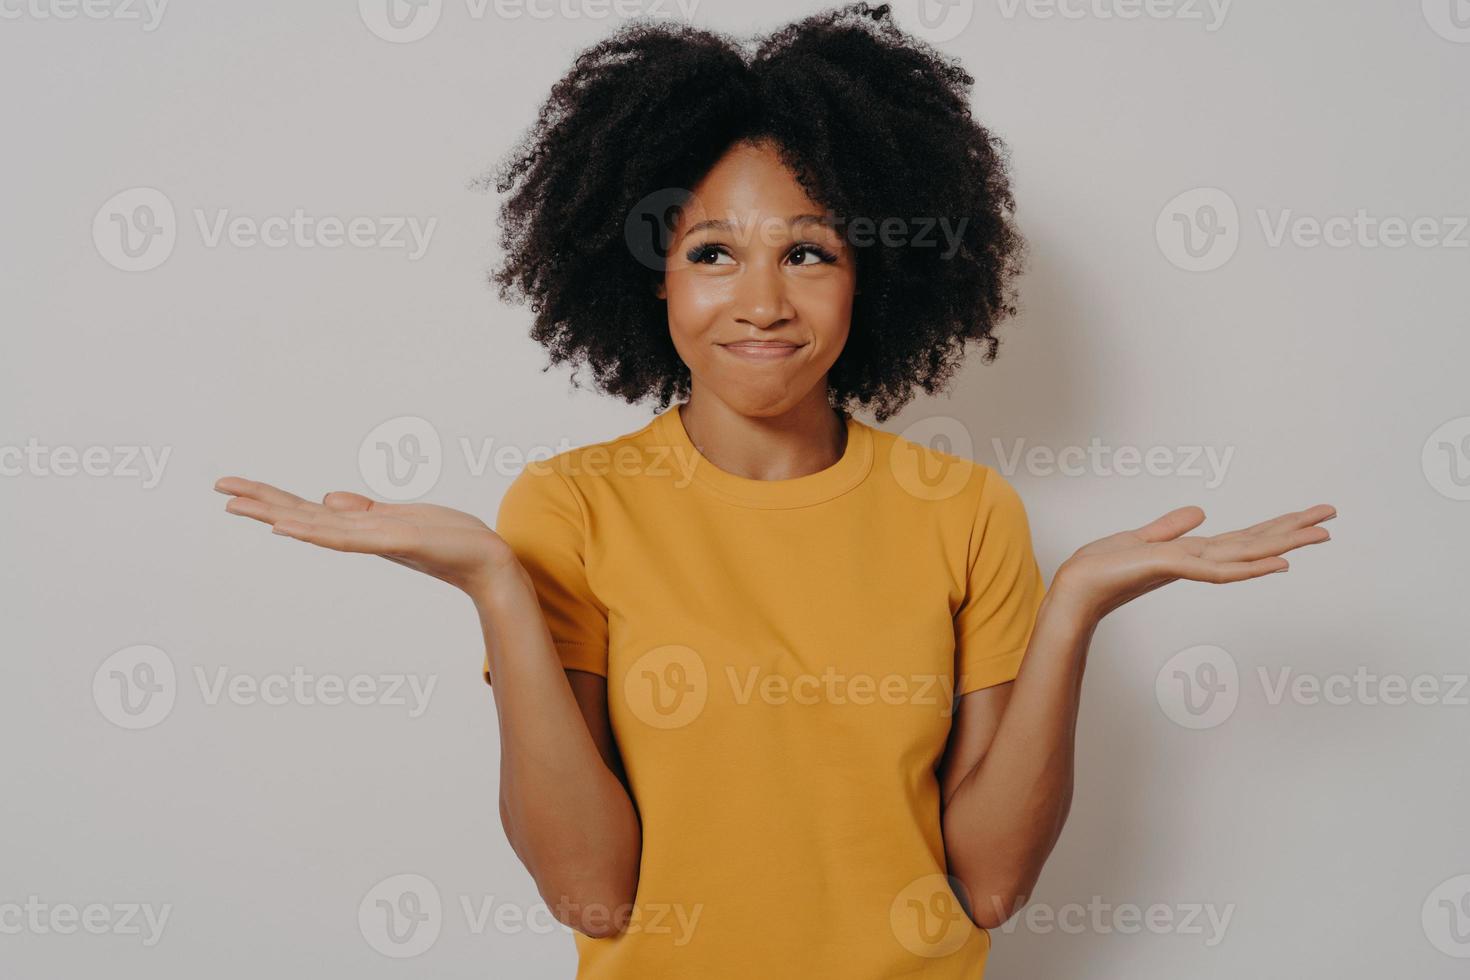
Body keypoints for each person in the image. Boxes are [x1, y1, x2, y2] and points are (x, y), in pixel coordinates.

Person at [215, 5, 1335, 976]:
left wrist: (1077, 602)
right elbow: (591, 897)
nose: (761, 301)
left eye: (807, 252)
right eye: (711, 254)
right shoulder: (569, 510)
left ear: (870, 275)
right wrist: (494, 588)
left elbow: (989, 885)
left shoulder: (966, 512)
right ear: (648, 279)